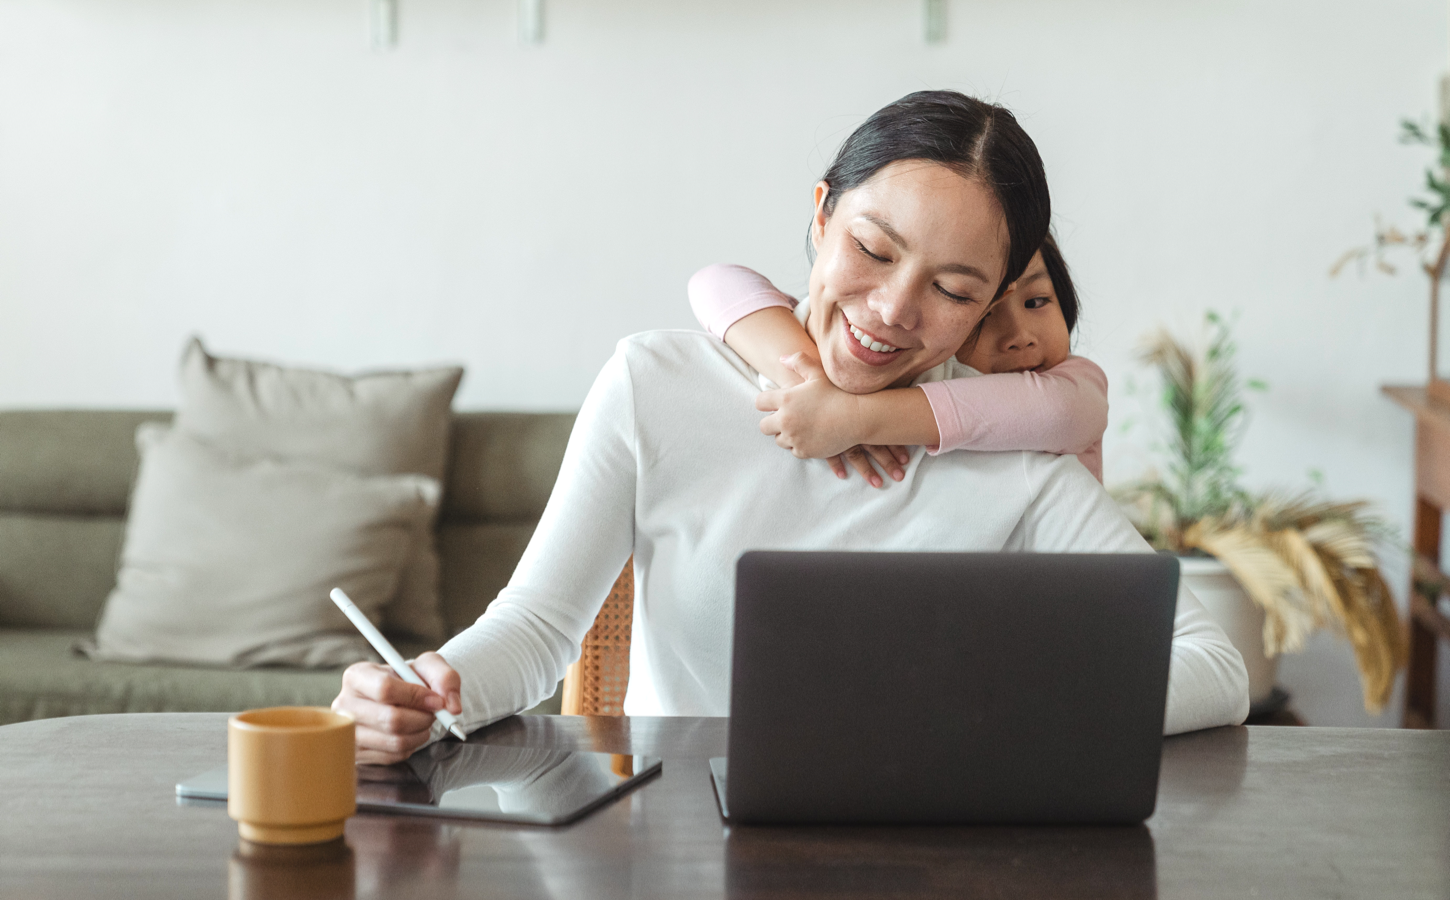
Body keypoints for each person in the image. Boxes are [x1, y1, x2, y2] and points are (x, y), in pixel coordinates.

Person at [334, 90, 1249, 765]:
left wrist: (1012, 707)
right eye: (873, 250)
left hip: (928, 854)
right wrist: (424, 689)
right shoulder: (657, 384)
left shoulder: (1011, 452)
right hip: (678, 848)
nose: (892, 310)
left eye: (954, 289)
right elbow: (535, 631)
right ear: (820, 217)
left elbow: (1214, 666)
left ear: (991, 306)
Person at [687, 234, 1107, 485]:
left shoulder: (1075, 384)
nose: (1020, 338)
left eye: (1038, 301)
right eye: (984, 316)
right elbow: (715, 282)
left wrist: (854, 416)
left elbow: (1058, 412)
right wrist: (809, 384)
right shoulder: (915, 368)